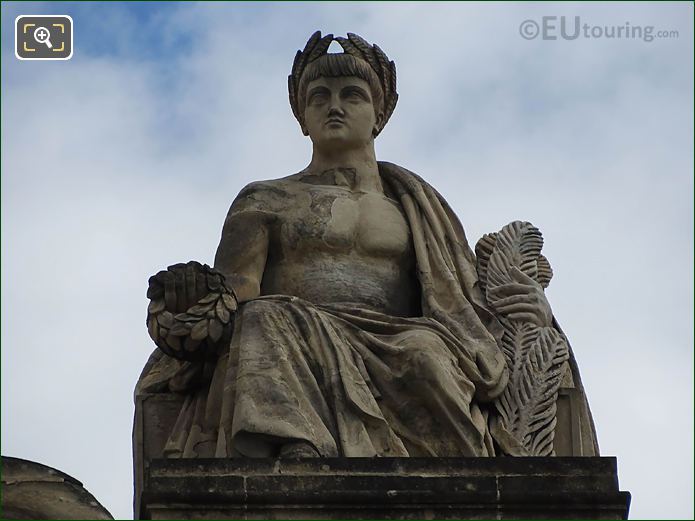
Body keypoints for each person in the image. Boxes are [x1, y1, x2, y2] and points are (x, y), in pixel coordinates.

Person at [136, 32, 557, 458]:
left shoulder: (415, 205)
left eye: (351, 95)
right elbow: (238, 292)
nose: (334, 106)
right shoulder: (264, 198)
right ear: (302, 117)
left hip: (399, 339)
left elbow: (462, 302)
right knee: (264, 317)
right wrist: (192, 299)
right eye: (318, 97)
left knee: (426, 352)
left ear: (379, 114)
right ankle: (299, 449)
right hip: (292, 332)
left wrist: (527, 309)